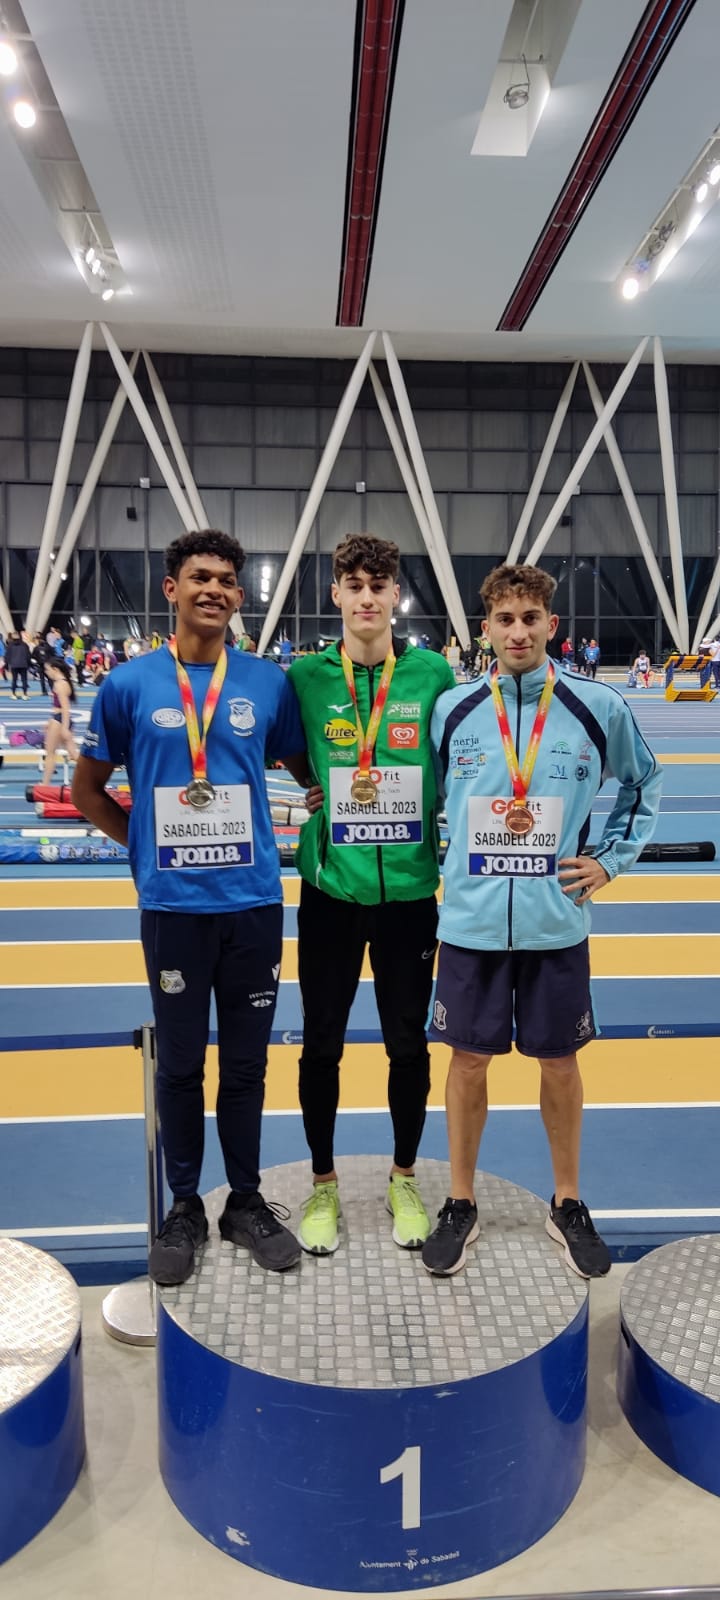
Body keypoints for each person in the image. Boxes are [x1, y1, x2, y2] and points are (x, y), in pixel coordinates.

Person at [72, 529, 310, 1287]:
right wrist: (140, 846)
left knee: (245, 1066)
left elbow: (315, 775)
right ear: (171, 589)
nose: (215, 590)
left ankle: (243, 1200)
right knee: (179, 1066)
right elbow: (85, 790)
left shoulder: (267, 685)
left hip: (252, 905)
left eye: (228, 581)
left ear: (241, 597)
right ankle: (184, 1207)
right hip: (173, 906)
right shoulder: (130, 685)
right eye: (200, 577)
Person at [422, 563, 662, 1280]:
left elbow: (644, 782)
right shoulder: (455, 708)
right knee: (467, 1062)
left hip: (556, 922)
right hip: (469, 924)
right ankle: (460, 1200)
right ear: (487, 628)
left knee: (559, 1061)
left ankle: (567, 1200)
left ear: (551, 626)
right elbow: (427, 796)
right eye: (505, 619)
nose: (518, 631)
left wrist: (611, 862)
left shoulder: (597, 705)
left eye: (531, 618)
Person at [288, 534, 456, 1256]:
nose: (365, 597)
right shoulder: (305, 677)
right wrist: (308, 786)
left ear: (396, 597)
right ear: (336, 595)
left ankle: (404, 1177)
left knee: (407, 1045)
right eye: (353, 584)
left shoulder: (432, 674)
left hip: (410, 892)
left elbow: (458, 758)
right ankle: (323, 1185)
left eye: (378, 585)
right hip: (330, 891)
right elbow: (287, 747)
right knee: (320, 1044)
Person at [43, 659, 81, 782]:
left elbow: (65, 708)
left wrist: (64, 728)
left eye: (47, 670)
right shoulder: (63, 683)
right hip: (61, 720)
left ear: (56, 669)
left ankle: (45, 784)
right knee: (73, 754)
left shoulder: (60, 684)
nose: (46, 672)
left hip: (60, 721)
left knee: (50, 753)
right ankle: (95, 776)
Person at [6, 631, 31, 698]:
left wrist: (7, 665)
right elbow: (28, 655)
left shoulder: (10, 645)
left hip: (14, 665)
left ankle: (13, 694)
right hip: (23, 664)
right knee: (24, 680)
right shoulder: (24, 645)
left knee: (14, 680)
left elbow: (8, 656)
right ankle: (25, 694)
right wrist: (28, 664)